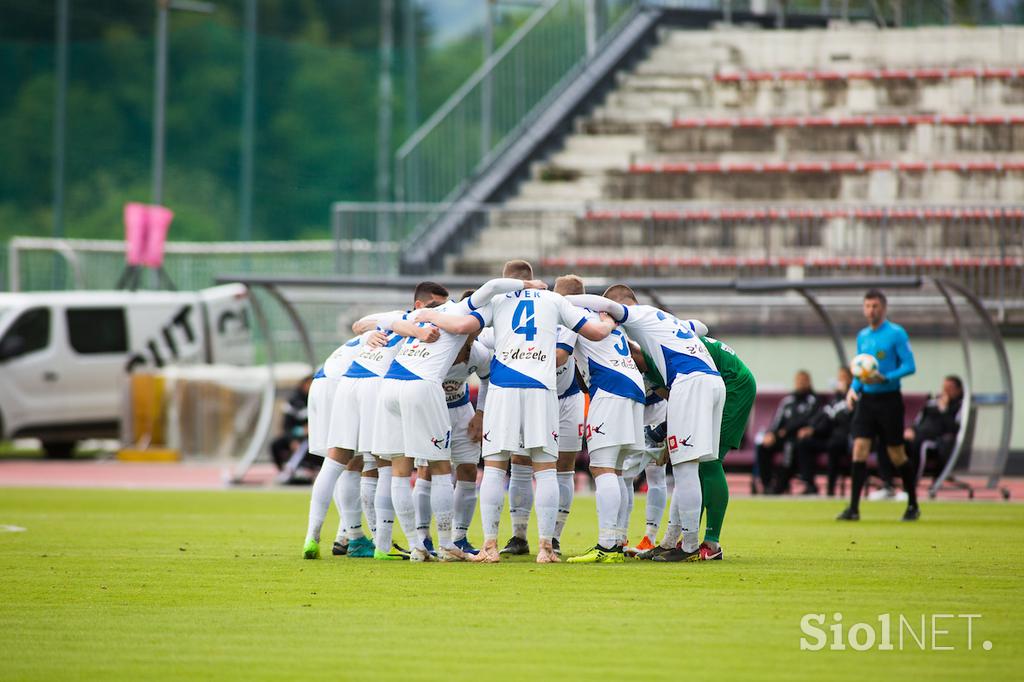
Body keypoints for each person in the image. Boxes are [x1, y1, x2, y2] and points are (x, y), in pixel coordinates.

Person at [416, 260, 616, 563]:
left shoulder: (497, 300)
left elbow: (459, 327)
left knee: (496, 467)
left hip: (504, 388)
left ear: (505, 280)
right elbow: (598, 333)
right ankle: (547, 548)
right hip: (542, 389)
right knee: (546, 469)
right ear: (532, 279)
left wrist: (426, 313)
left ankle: (490, 546)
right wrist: (608, 320)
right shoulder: (555, 300)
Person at [371, 276, 545, 562]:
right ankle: (445, 544)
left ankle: (417, 547)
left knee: (400, 469)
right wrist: (526, 284)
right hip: (422, 387)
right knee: (439, 469)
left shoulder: (423, 316)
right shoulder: (460, 311)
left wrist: (372, 332)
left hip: (391, 387)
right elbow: (490, 287)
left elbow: (382, 321)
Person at [566, 288, 724, 563]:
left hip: (688, 382)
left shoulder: (637, 315)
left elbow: (606, 305)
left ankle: (687, 546)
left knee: (685, 467)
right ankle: (679, 541)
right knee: (689, 465)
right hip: (712, 381)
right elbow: (701, 326)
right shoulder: (666, 319)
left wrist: (560, 301)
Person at [301, 284, 446, 560]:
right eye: (436, 305)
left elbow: (360, 323)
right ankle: (382, 544)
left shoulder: (393, 317)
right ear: (418, 306)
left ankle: (318, 537)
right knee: (385, 464)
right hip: (372, 384)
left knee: (339, 462)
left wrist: (371, 329)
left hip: (346, 380)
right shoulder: (423, 325)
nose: (441, 311)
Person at [561, 276, 647, 564]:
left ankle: (607, 546)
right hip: (633, 388)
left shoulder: (574, 316)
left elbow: (562, 355)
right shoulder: (602, 317)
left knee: (602, 467)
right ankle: (618, 540)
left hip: (610, 389)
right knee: (619, 470)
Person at [838, 289, 919, 522]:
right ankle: (853, 509)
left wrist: (887, 377)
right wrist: (853, 389)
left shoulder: (896, 333)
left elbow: (910, 366)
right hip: (867, 401)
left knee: (896, 453)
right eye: (867, 306)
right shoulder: (862, 336)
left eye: (875, 306)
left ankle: (913, 503)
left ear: (883, 308)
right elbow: (859, 370)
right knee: (859, 448)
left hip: (889, 400)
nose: (871, 310)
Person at [754, 370, 819, 495]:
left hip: (797, 437)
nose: (800, 383)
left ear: (809, 382)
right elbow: (777, 419)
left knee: (790, 447)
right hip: (782, 435)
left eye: (803, 380)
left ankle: (780, 486)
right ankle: (767, 484)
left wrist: (787, 430)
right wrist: (771, 433)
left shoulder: (812, 400)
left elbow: (808, 419)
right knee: (762, 446)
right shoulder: (788, 401)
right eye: (798, 380)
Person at [793, 367, 854, 497]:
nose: (840, 380)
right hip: (829, 436)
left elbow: (846, 420)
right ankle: (810, 484)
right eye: (839, 377)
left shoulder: (854, 398)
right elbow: (823, 418)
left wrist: (845, 394)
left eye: (843, 377)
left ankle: (830, 489)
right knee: (804, 443)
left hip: (845, 439)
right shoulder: (833, 400)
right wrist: (811, 429)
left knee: (833, 445)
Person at [905, 375, 964, 480]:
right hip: (918, 433)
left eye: (950, 388)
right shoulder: (931, 403)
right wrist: (911, 430)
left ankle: (912, 482)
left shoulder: (960, 407)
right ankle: (888, 484)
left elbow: (953, 428)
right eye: (944, 387)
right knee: (893, 441)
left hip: (936, 440)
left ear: (958, 390)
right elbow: (918, 420)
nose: (946, 391)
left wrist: (943, 409)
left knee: (920, 444)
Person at [270, 375, 315, 482]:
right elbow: (287, 426)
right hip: (295, 435)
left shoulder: (318, 401)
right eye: (309, 384)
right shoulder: (293, 402)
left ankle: (298, 470)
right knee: (275, 444)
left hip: (313, 437)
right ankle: (284, 471)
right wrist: (293, 439)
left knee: (306, 445)